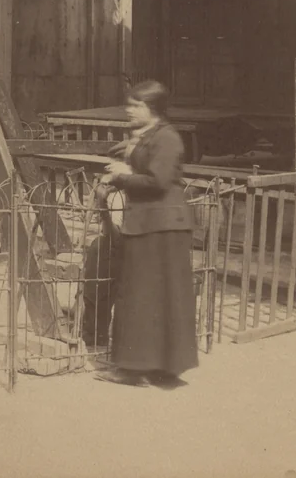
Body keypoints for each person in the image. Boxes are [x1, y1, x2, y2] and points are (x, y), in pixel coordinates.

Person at [93, 80, 198, 388]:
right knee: (153, 296)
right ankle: (158, 368)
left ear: (152, 110)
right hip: (153, 222)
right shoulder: (152, 135)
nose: (129, 110)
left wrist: (123, 176)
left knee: (142, 296)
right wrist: (125, 160)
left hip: (161, 225)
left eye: (135, 105)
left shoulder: (168, 138)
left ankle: (133, 369)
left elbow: (158, 181)